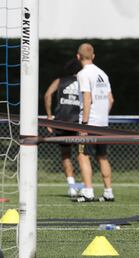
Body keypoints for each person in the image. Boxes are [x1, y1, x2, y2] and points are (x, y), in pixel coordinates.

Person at [74, 43, 115, 202]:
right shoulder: (103, 74)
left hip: (89, 123)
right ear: (93, 56)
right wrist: (102, 115)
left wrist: (84, 123)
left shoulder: (83, 74)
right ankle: (108, 191)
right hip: (103, 123)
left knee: (83, 155)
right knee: (102, 156)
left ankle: (88, 191)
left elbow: (87, 98)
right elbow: (111, 99)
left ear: (78, 56)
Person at [44, 58, 82, 197]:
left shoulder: (59, 81)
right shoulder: (83, 81)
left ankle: (72, 186)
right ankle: (83, 186)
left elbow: (48, 94)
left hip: (61, 122)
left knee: (65, 155)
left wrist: (49, 116)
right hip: (78, 122)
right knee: (82, 155)